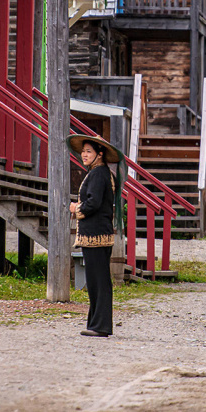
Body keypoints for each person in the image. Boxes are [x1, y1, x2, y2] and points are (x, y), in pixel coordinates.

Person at [67, 134, 119, 338]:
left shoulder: (98, 174)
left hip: (96, 235)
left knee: (98, 281)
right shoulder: (100, 172)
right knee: (98, 280)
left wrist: (75, 207)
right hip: (97, 234)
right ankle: (97, 323)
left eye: (89, 151)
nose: (84, 154)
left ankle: (100, 326)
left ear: (99, 154)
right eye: (83, 151)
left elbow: (94, 203)